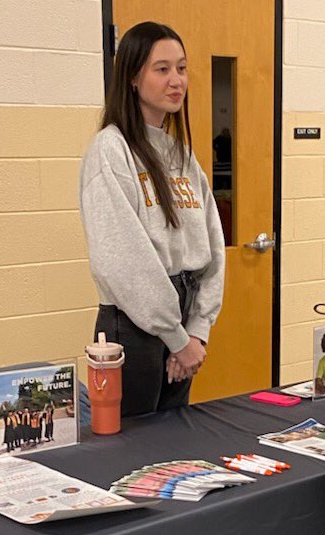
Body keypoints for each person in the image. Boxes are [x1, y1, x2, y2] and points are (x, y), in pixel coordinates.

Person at [80, 22, 226, 417]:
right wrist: (175, 336)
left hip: (181, 320)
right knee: (129, 453)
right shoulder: (111, 150)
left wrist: (196, 330)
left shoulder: (181, 155)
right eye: (162, 69)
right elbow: (122, 259)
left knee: (171, 445)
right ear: (132, 76)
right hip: (134, 324)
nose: (176, 80)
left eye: (181, 68)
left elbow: (212, 248)